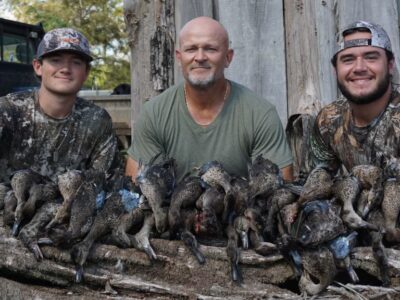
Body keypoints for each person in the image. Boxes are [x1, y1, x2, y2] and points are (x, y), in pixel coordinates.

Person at [125, 16, 293, 182]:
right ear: (179, 57)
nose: (200, 57)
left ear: (228, 57)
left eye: (210, 49)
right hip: (170, 208)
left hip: (241, 207)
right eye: (191, 49)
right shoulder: (154, 114)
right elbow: (136, 188)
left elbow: (279, 192)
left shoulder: (260, 115)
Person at [0, 28, 119, 185]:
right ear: (38, 66)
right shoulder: (8, 112)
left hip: (72, 208)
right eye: (56, 60)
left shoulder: (97, 121)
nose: (66, 69)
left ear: (86, 72)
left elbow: (106, 185)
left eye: (76, 62)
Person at [310, 20, 399, 172]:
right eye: (348, 59)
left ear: (390, 65)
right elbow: (318, 186)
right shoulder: (328, 121)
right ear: (335, 70)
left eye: (371, 57)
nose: (359, 68)